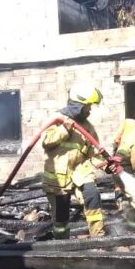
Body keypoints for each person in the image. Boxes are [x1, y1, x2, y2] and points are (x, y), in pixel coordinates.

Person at [42, 84, 107, 239]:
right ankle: (62, 244)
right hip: (58, 177)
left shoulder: (88, 127)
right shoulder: (56, 120)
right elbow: (46, 142)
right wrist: (65, 130)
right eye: (87, 106)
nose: (89, 110)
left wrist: (107, 166)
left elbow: (95, 152)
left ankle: (99, 240)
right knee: (61, 215)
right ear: (78, 106)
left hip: (80, 172)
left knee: (92, 196)